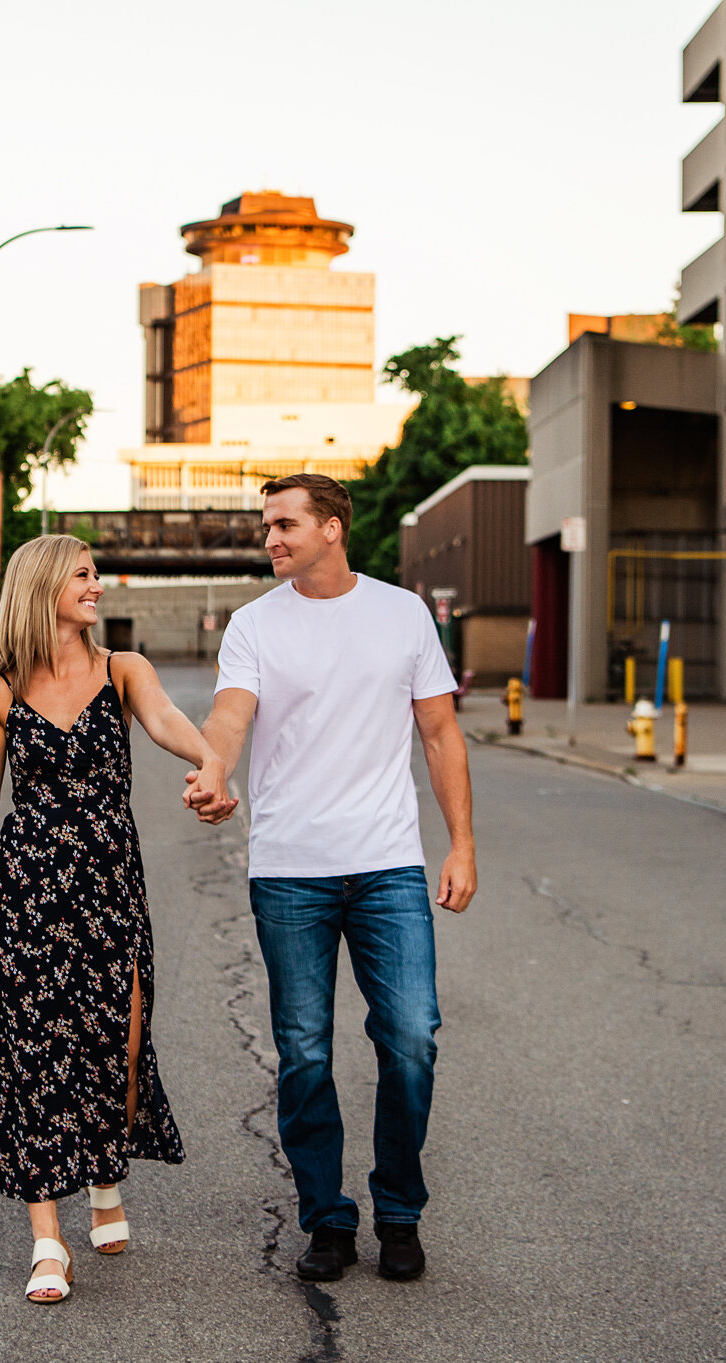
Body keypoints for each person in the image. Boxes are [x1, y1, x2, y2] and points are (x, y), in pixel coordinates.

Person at [190, 472, 476, 1284]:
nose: (270, 538)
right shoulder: (253, 625)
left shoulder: (402, 613)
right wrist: (213, 769)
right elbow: (231, 714)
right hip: (289, 871)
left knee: (411, 1037)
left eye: (284, 524)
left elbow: (441, 733)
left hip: (388, 863)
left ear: (332, 528)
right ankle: (326, 1217)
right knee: (304, 1053)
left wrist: (462, 845)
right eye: (267, 526)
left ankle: (399, 1209)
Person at [0, 534, 232, 1305]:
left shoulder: (122, 671)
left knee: (119, 1039)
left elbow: (169, 719)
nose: (97, 585)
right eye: (84, 574)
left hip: (110, 885)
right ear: (44, 586)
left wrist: (210, 762)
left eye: (96, 574)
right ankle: (47, 1238)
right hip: (28, 890)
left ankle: (106, 1178)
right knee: (33, 1053)